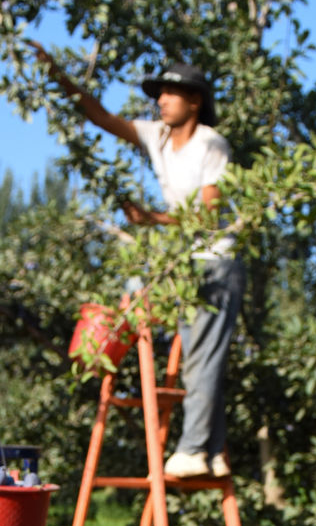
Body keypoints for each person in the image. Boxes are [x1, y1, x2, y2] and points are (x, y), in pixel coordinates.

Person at [31, 46, 244, 479]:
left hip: (216, 262)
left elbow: (207, 215)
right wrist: (56, 74)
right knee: (193, 349)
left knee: (202, 357)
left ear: (195, 101)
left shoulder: (210, 144)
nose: (161, 100)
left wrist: (151, 219)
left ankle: (193, 449)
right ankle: (213, 452)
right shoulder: (157, 137)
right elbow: (101, 117)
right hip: (185, 262)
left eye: (170, 93)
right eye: (159, 93)